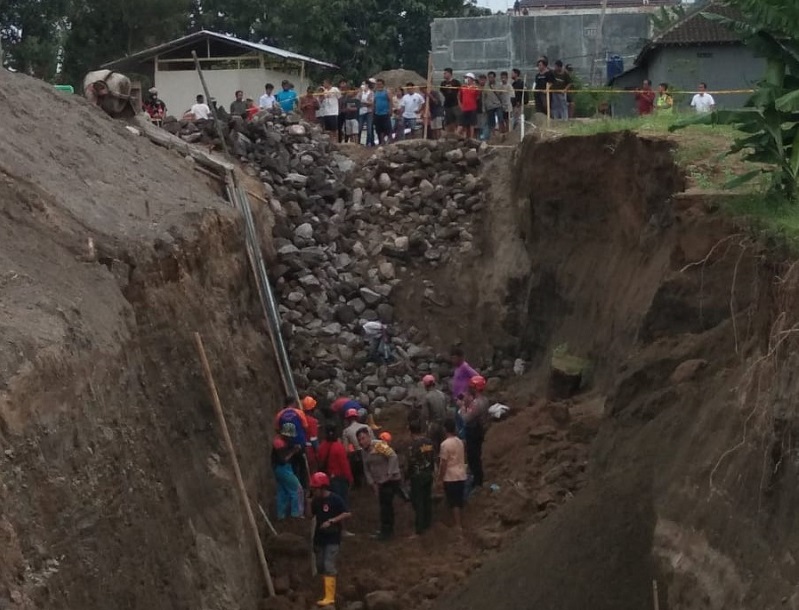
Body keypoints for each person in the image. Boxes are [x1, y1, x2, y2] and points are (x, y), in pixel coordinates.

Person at [310, 472, 351, 607]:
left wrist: (332, 521)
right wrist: (306, 502)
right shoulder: (316, 501)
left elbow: (347, 513)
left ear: (322, 487)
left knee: (328, 565)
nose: (314, 491)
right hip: (319, 538)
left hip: (332, 537)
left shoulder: (335, 499)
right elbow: (310, 515)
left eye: (315, 489)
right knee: (320, 565)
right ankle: (324, 588)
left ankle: (330, 597)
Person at [358, 428, 401, 541]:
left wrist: (390, 473)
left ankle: (387, 531)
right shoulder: (363, 452)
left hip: (389, 480)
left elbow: (393, 456)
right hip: (379, 481)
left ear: (368, 437)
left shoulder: (378, 445)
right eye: (359, 440)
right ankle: (385, 529)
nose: (362, 442)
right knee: (383, 505)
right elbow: (366, 468)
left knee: (386, 506)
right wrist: (372, 483)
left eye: (363, 438)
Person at [316, 426, 354, 535]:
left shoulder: (322, 446)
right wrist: (350, 479)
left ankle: (327, 526)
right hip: (339, 479)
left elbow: (318, 460)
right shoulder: (338, 447)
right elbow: (344, 465)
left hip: (327, 480)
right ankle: (342, 529)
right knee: (341, 504)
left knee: (328, 504)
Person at [459, 375, 489, 490]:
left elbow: (466, 418)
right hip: (480, 430)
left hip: (474, 431)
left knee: (473, 457)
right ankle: (477, 479)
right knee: (476, 455)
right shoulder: (485, 400)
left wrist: (462, 407)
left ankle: (477, 481)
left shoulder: (476, 404)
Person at [406, 418, 435, 537]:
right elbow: (433, 457)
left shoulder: (413, 445)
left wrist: (406, 476)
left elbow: (411, 462)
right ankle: (428, 523)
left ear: (411, 431)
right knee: (427, 499)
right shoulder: (429, 442)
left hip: (417, 476)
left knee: (418, 502)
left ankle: (419, 528)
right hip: (428, 473)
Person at [438, 418, 467, 533]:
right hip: (461, 474)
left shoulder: (444, 445)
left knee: (453, 502)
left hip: (451, 477)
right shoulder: (460, 442)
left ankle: (457, 525)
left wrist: (440, 478)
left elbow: (443, 464)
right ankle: (458, 523)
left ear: (445, 429)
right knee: (458, 501)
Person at [275, 396, 311, 487]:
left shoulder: (279, 415)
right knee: (302, 465)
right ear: (293, 403)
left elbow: (277, 430)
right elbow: (305, 427)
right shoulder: (299, 412)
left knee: (293, 466)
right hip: (300, 444)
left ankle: (295, 485)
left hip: (288, 446)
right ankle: (304, 486)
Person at [272, 423, 304, 520]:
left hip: (280, 469)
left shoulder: (282, 442)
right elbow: (283, 459)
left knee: (283, 492)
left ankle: (281, 515)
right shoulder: (279, 443)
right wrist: (293, 451)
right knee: (297, 489)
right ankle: (296, 514)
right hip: (283, 469)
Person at [342, 407, 373, 488]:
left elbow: (346, 449)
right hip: (371, 451)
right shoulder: (367, 427)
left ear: (348, 419)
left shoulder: (346, 431)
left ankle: (359, 486)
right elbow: (373, 440)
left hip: (358, 454)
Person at [421, 375, 448, 454]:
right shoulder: (442, 394)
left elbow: (425, 415)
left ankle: (431, 459)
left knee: (430, 446)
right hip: (443, 425)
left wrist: (423, 429)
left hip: (433, 425)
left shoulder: (427, 397)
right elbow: (445, 409)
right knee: (442, 447)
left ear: (425, 385)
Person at [302, 396, 321, 474]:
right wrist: (319, 453)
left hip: (301, 449)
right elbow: (314, 439)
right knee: (313, 472)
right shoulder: (312, 421)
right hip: (310, 451)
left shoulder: (301, 418)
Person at [458, 73, 480, 139]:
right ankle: (458, 136)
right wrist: (460, 105)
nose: (466, 79)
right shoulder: (463, 87)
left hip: (472, 108)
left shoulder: (475, 88)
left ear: (472, 79)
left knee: (471, 124)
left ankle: (471, 138)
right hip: (464, 108)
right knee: (462, 124)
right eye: (465, 78)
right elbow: (459, 97)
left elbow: (477, 97)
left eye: (467, 78)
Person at [440, 68, 462, 133]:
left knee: (458, 120)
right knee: (449, 121)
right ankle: (452, 133)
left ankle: (457, 133)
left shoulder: (456, 82)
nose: (444, 75)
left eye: (445, 73)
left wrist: (460, 102)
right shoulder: (443, 83)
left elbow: (459, 92)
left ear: (450, 74)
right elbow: (442, 92)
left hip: (455, 104)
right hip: (447, 104)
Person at [483, 71, 504, 139]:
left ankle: (501, 133)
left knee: (500, 118)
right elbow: (484, 97)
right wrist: (484, 107)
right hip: (489, 105)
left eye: (491, 77)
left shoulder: (499, 85)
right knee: (491, 121)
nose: (490, 79)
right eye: (489, 77)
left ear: (494, 77)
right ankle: (493, 134)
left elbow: (502, 94)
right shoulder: (486, 86)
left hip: (498, 104)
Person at [373, 79, 392, 145]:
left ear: (383, 85)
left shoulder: (386, 92)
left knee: (387, 127)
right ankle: (382, 141)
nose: (379, 85)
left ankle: (389, 140)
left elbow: (390, 101)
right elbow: (374, 102)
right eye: (377, 84)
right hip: (377, 113)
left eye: (380, 84)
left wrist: (390, 110)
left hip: (385, 112)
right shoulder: (375, 92)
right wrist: (373, 111)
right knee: (379, 129)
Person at [359, 80, 376, 146]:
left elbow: (371, 103)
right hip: (361, 112)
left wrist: (364, 103)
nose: (363, 86)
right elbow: (358, 101)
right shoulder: (360, 93)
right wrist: (366, 103)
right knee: (360, 128)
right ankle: (358, 142)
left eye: (364, 84)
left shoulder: (371, 93)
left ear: (367, 85)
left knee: (369, 128)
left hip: (369, 112)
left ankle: (368, 142)